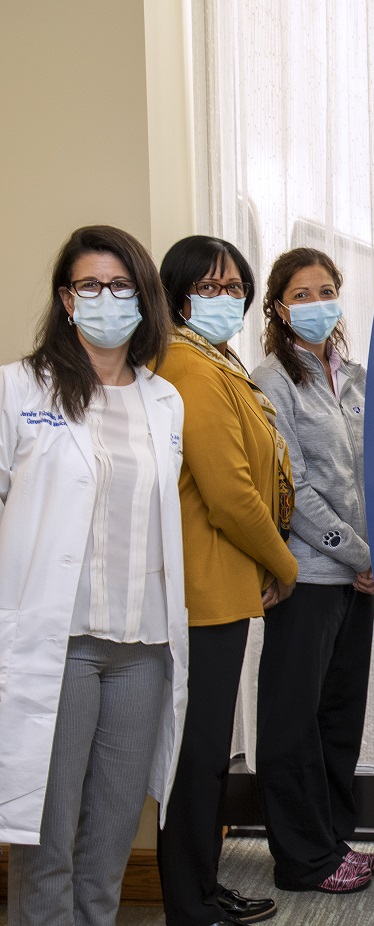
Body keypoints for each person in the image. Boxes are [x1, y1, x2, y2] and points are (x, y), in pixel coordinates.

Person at [0, 225, 188, 926]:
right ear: (66, 298)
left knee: (109, 842)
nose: (107, 298)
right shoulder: (18, 388)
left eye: (122, 285)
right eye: (91, 285)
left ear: (144, 298)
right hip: (60, 645)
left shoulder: (162, 401)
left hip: (140, 650)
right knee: (48, 845)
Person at [155, 236, 299, 926]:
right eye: (209, 287)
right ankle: (189, 901)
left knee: (209, 748)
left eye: (235, 287)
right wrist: (285, 563)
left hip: (219, 584)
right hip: (201, 591)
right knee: (198, 752)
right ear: (177, 294)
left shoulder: (217, 361)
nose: (226, 299)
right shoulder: (189, 366)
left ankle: (204, 889)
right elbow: (230, 493)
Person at [250, 248, 374, 894]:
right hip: (311, 577)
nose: (318, 302)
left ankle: (331, 842)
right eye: (302, 293)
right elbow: (290, 486)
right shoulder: (270, 379)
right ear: (277, 306)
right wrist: (360, 555)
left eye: (327, 289)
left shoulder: (355, 377)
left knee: (338, 717)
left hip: (361, 579)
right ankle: (302, 859)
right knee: (292, 724)